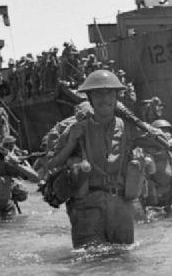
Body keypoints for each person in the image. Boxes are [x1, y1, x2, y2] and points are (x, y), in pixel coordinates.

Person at [47, 69, 140, 248]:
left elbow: (157, 147)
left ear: (116, 97)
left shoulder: (129, 128)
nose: (104, 98)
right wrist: (71, 142)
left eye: (109, 93)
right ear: (90, 98)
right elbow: (51, 163)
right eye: (98, 93)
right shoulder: (76, 128)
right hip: (87, 208)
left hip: (121, 208)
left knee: (124, 262)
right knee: (88, 262)